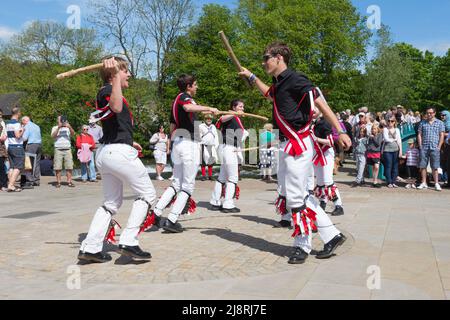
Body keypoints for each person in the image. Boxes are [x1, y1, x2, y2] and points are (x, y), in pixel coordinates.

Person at [239, 41, 351, 264]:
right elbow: (269, 95)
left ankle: (302, 245)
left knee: (295, 197)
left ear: (279, 57)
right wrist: (251, 76)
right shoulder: (279, 83)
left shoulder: (296, 79)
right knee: (301, 195)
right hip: (289, 144)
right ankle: (332, 236)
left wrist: (340, 131)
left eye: (266, 58)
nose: (263, 62)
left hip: (297, 143)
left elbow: (321, 103)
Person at [79, 57, 158, 263]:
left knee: (111, 203)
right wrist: (114, 76)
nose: (129, 75)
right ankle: (129, 240)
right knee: (148, 194)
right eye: (125, 71)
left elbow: (112, 121)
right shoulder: (109, 90)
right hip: (117, 153)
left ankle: (91, 247)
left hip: (109, 151)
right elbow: (115, 108)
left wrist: (130, 142)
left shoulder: (107, 91)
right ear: (114, 73)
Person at [153, 74, 219, 233]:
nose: (197, 87)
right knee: (188, 186)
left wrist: (172, 145)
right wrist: (208, 108)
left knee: (176, 183)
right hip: (188, 144)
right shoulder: (184, 98)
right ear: (188, 86)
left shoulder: (175, 101)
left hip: (178, 143)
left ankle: (156, 212)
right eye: (195, 85)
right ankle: (172, 219)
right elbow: (189, 107)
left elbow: (172, 125)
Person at [209, 99, 245, 213]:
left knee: (222, 177)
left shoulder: (236, 118)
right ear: (234, 107)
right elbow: (221, 120)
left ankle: (215, 201)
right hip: (228, 148)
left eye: (243, 107)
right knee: (233, 177)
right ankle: (228, 204)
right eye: (240, 107)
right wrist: (234, 113)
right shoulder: (230, 115)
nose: (242, 109)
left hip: (230, 148)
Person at [312, 115, 345, 216]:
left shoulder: (325, 123)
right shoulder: (314, 123)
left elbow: (330, 142)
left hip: (326, 153)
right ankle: (323, 202)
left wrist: (316, 139)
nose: (313, 110)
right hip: (317, 154)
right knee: (320, 181)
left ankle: (338, 205)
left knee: (328, 181)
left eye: (316, 108)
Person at [417, 107, 445, 191]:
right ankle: (424, 182)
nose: (429, 114)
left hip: (435, 147)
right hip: (424, 147)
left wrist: (439, 146)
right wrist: (420, 145)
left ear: (434, 113)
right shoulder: (422, 123)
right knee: (423, 165)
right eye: (428, 113)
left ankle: (436, 183)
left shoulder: (439, 123)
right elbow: (419, 134)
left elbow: (442, 135)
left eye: (431, 113)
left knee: (435, 166)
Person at [51, 115, 75, 188]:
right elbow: (53, 136)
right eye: (60, 120)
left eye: (62, 120)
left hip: (67, 148)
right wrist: (59, 127)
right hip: (58, 149)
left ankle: (69, 181)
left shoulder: (68, 128)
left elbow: (73, 134)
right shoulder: (55, 127)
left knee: (69, 166)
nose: (62, 121)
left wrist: (70, 127)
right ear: (57, 121)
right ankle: (58, 182)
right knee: (58, 167)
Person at [6, 107, 25, 192]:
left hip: (10, 146)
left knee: (11, 167)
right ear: (18, 113)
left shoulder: (8, 123)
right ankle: (11, 185)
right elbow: (17, 136)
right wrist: (23, 130)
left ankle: (9, 184)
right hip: (17, 147)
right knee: (18, 167)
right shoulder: (17, 124)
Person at [382, 115, 403, 188]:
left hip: (396, 149)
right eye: (389, 121)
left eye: (392, 121)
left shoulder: (397, 129)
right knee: (388, 166)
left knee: (395, 166)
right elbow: (386, 139)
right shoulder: (385, 129)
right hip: (387, 150)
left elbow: (399, 140)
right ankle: (389, 182)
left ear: (394, 122)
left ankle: (394, 181)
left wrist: (401, 151)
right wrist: (394, 139)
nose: (390, 122)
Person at [21, 116, 42, 187]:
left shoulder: (27, 126)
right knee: (37, 163)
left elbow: (24, 138)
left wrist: (20, 134)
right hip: (39, 145)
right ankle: (37, 180)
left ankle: (30, 180)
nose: (22, 123)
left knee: (28, 163)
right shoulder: (36, 126)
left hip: (31, 145)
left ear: (24, 121)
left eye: (22, 122)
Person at [199, 114, 219, 181]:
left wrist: (216, 145)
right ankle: (203, 176)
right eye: (207, 118)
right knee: (203, 161)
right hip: (203, 145)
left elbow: (216, 136)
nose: (209, 120)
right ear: (204, 119)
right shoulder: (201, 126)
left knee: (211, 161)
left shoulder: (213, 126)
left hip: (211, 146)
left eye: (210, 119)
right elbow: (198, 136)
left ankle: (210, 176)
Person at [0, 115, 8, 191]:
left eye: (1, 115)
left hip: (1, 148)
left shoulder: (3, 123)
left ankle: (3, 185)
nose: (0, 116)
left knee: (2, 167)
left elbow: (5, 135)